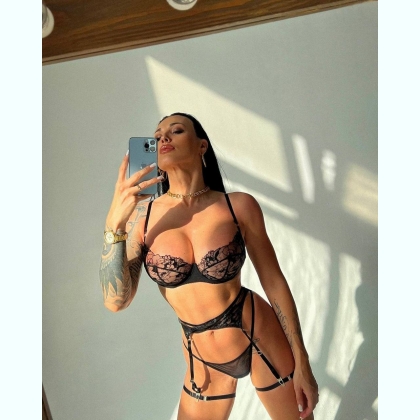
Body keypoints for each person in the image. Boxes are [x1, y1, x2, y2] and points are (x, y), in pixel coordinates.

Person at [99, 112, 318, 420]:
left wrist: (302, 361)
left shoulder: (238, 206)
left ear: (202, 146)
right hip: (202, 361)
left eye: (176, 130)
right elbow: (116, 302)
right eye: (157, 135)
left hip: (259, 333)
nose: (164, 138)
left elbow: (274, 281)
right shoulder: (142, 219)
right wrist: (114, 223)